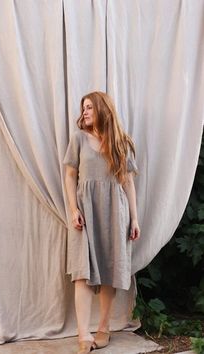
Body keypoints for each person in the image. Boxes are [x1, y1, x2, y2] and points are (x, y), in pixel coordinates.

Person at [63, 91, 140, 354]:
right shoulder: (78, 140)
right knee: (82, 272)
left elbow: (128, 182)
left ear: (102, 110)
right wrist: (73, 209)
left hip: (115, 212)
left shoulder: (120, 143)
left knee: (109, 268)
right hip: (86, 210)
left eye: (89, 108)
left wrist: (134, 218)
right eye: (82, 108)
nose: (84, 112)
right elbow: (70, 175)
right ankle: (83, 335)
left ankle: (104, 328)